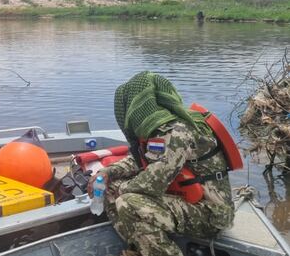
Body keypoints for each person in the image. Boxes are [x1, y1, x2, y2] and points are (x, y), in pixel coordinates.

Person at [89, 71, 235, 256]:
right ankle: (141, 247)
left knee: (128, 201)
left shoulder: (177, 132)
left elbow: (151, 184)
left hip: (210, 214)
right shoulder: (160, 129)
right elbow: (140, 160)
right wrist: (106, 174)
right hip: (186, 200)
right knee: (109, 188)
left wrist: (122, 188)